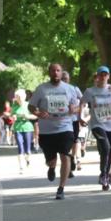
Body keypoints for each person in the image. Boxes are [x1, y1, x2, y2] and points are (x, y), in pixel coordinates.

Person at [29, 63, 82, 199]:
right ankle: (51, 167)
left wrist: (73, 110)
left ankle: (61, 188)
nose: (56, 73)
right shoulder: (41, 89)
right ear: (49, 73)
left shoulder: (70, 89)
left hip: (65, 127)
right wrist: (38, 113)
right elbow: (31, 106)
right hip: (47, 130)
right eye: (53, 70)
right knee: (51, 160)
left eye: (58, 70)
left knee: (65, 156)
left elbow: (79, 107)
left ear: (61, 72)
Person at [81, 66, 111, 190]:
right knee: (106, 147)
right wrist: (80, 117)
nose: (103, 77)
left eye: (105, 74)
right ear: (97, 76)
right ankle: (104, 174)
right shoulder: (90, 91)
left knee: (106, 151)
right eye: (100, 74)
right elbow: (81, 104)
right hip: (97, 124)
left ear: (108, 76)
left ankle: (106, 176)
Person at [11, 89, 35, 172]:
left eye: (20, 97)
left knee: (27, 149)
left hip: (27, 127)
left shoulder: (29, 105)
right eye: (17, 97)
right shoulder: (14, 106)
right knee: (20, 148)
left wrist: (27, 116)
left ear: (24, 97)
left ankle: (28, 159)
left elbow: (36, 116)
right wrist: (13, 117)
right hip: (17, 128)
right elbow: (12, 115)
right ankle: (21, 167)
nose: (18, 98)